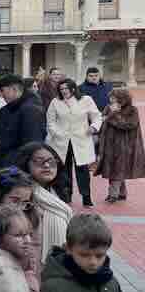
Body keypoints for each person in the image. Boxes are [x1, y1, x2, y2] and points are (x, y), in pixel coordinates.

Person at [10, 143, 74, 292]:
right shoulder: (23, 197)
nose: (47, 166)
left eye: (52, 162)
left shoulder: (55, 192)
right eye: (39, 162)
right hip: (35, 265)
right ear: (26, 164)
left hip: (60, 261)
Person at [46, 78, 102, 207]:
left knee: (82, 169)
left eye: (66, 88)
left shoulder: (86, 100)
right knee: (64, 170)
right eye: (61, 89)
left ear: (73, 88)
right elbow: (50, 122)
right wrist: (57, 133)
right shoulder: (55, 102)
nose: (64, 91)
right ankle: (66, 196)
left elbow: (96, 115)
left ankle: (86, 197)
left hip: (81, 139)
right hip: (62, 140)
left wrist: (93, 127)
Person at [96, 87, 145, 203]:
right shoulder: (108, 108)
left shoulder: (132, 110)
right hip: (109, 144)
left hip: (125, 146)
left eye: (114, 97)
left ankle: (113, 194)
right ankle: (122, 193)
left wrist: (114, 115)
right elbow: (102, 121)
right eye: (111, 97)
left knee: (116, 169)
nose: (111, 100)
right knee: (115, 169)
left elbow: (129, 125)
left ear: (122, 98)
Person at [0, 75, 46, 173]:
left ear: (14, 89)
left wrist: (17, 173)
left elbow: (33, 146)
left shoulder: (31, 110)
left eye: (2, 91)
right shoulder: (5, 110)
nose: (1, 95)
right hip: (3, 169)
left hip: (17, 172)